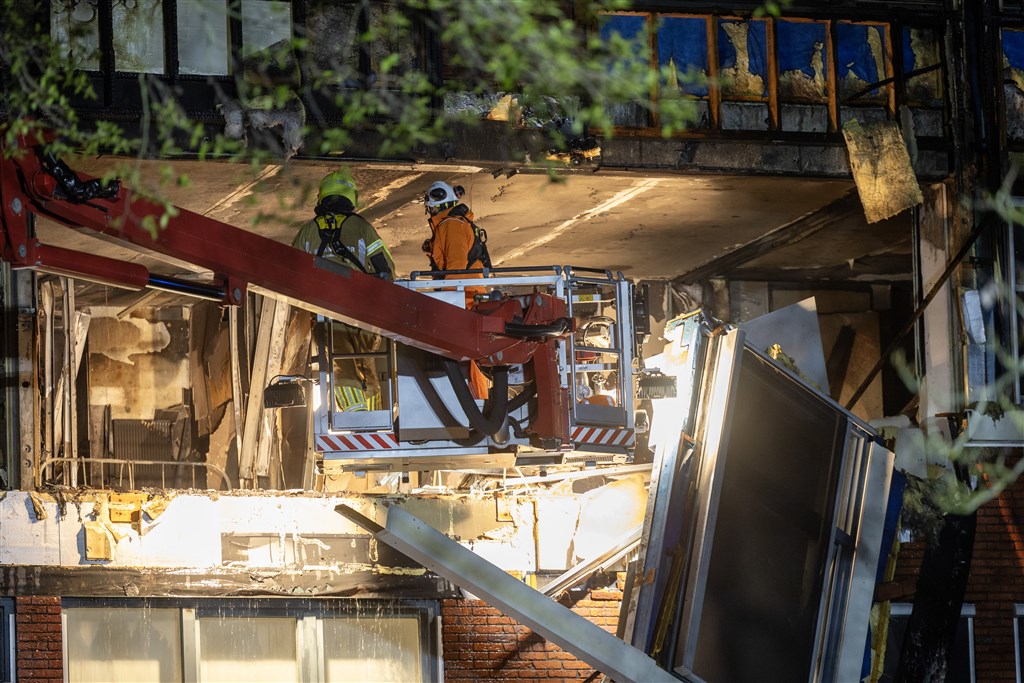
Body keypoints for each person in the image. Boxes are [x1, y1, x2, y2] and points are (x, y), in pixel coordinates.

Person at [293, 169, 395, 412]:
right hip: (363, 313)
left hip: (326, 314)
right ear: (352, 198)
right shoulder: (361, 227)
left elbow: (292, 272)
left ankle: (354, 418)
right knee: (367, 367)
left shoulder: (307, 231)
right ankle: (373, 417)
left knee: (341, 370)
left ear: (322, 198)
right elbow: (386, 269)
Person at [421, 180, 491, 399]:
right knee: (470, 362)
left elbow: (456, 269)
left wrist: (448, 306)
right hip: (467, 298)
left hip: (464, 302)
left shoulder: (451, 225)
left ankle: (479, 401)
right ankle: (478, 400)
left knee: (471, 361)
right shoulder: (450, 224)